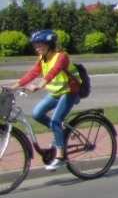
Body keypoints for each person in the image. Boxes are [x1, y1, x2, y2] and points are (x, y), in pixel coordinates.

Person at [11, 29, 82, 170]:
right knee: (37, 114)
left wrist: (39, 86)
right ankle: (60, 132)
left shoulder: (62, 56)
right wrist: (12, 87)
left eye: (40, 46)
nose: (37, 49)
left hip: (70, 92)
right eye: (35, 46)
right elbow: (32, 73)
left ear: (50, 45)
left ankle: (60, 158)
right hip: (56, 92)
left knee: (56, 121)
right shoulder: (42, 58)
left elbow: (53, 71)